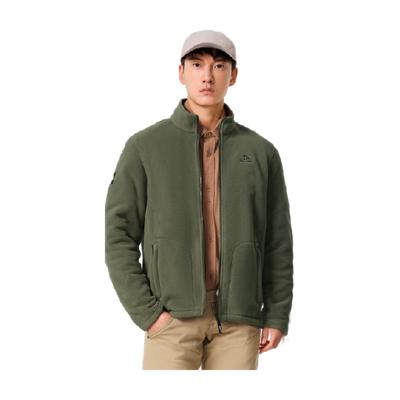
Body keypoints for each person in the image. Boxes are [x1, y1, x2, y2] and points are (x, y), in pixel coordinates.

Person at [105, 29, 294, 370]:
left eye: (219, 66)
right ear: (181, 73)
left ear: (233, 76)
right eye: (197, 65)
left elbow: (278, 241)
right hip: (171, 320)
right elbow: (118, 236)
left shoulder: (261, 152)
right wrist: (149, 314)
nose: (207, 76)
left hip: (239, 322)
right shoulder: (145, 147)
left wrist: (277, 314)